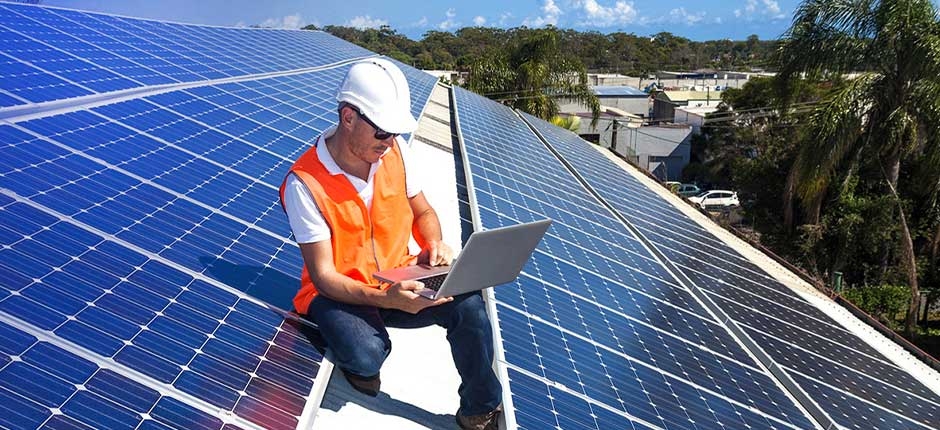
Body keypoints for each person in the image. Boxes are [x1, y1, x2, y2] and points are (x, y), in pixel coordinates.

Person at [279, 58, 502, 430]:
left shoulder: (396, 152)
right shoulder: (306, 184)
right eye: (383, 133)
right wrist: (386, 299)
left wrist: (435, 244)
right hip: (341, 294)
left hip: (403, 276)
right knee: (367, 357)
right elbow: (323, 276)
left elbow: (424, 211)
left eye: (395, 133)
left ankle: (479, 408)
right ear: (348, 117)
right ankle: (360, 350)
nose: (390, 142)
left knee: (470, 306)